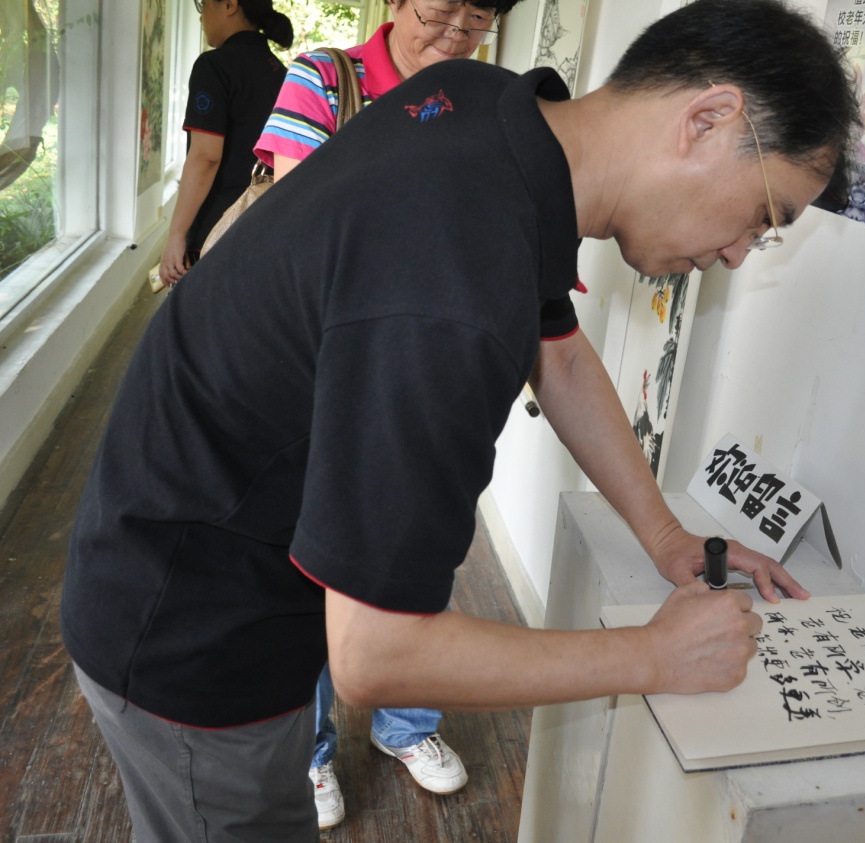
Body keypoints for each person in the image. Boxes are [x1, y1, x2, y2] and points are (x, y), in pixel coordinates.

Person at [60, 0, 862, 839]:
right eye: (764, 217)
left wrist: (666, 538)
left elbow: (559, 353)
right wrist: (653, 655)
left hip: (190, 537)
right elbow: (378, 654)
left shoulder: (487, 111)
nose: (737, 254)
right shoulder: (451, 279)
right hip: (190, 630)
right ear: (706, 119)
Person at [253, 0, 525, 827]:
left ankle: (405, 723)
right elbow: (302, 221)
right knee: (307, 561)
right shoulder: (323, 78)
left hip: (423, 373)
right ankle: (311, 748)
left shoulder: (486, 100)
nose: (455, 33)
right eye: (440, 10)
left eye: (477, 19)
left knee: (415, 547)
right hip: (319, 368)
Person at [158, 0, 291, 287]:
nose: (201, 16)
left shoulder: (214, 66)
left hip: (216, 232)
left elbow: (206, 156)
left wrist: (176, 235)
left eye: (203, 5)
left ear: (229, 5)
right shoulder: (280, 72)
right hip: (264, 226)